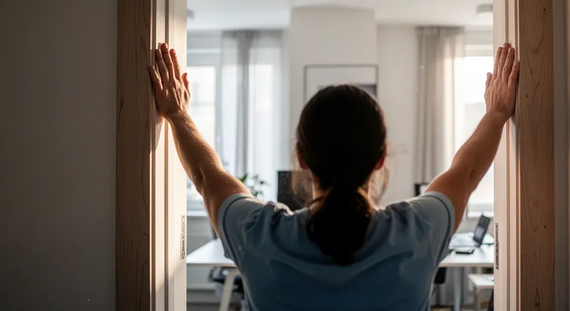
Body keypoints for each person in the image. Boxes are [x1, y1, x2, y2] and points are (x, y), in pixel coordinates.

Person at [148, 42, 519, 311]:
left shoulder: (258, 233)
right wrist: (498, 112)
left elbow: (205, 176)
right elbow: (465, 173)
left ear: (301, 160)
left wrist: (178, 114)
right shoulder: (418, 229)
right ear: (380, 160)